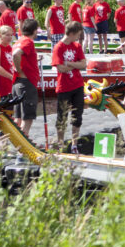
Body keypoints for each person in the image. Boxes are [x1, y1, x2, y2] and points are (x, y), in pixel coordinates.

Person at [52, 21, 87, 152]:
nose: (79, 37)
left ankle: (74, 145)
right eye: (78, 34)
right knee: (62, 118)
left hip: (78, 85)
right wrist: (75, 64)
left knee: (77, 117)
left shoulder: (77, 46)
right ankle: (60, 144)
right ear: (72, 33)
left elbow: (84, 64)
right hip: (64, 87)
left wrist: (70, 63)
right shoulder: (59, 47)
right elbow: (61, 68)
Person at [12, 19, 41, 137]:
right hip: (26, 83)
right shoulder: (28, 42)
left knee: (17, 118)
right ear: (34, 31)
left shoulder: (18, 41)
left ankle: (11, 146)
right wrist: (19, 69)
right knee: (27, 118)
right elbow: (16, 54)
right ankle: (23, 149)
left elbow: (21, 56)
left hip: (17, 83)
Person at [0, 26, 15, 100]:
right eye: (7, 35)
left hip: (11, 86)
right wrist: (11, 77)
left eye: (11, 35)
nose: (10, 37)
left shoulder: (9, 48)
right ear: (0, 36)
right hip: (2, 88)